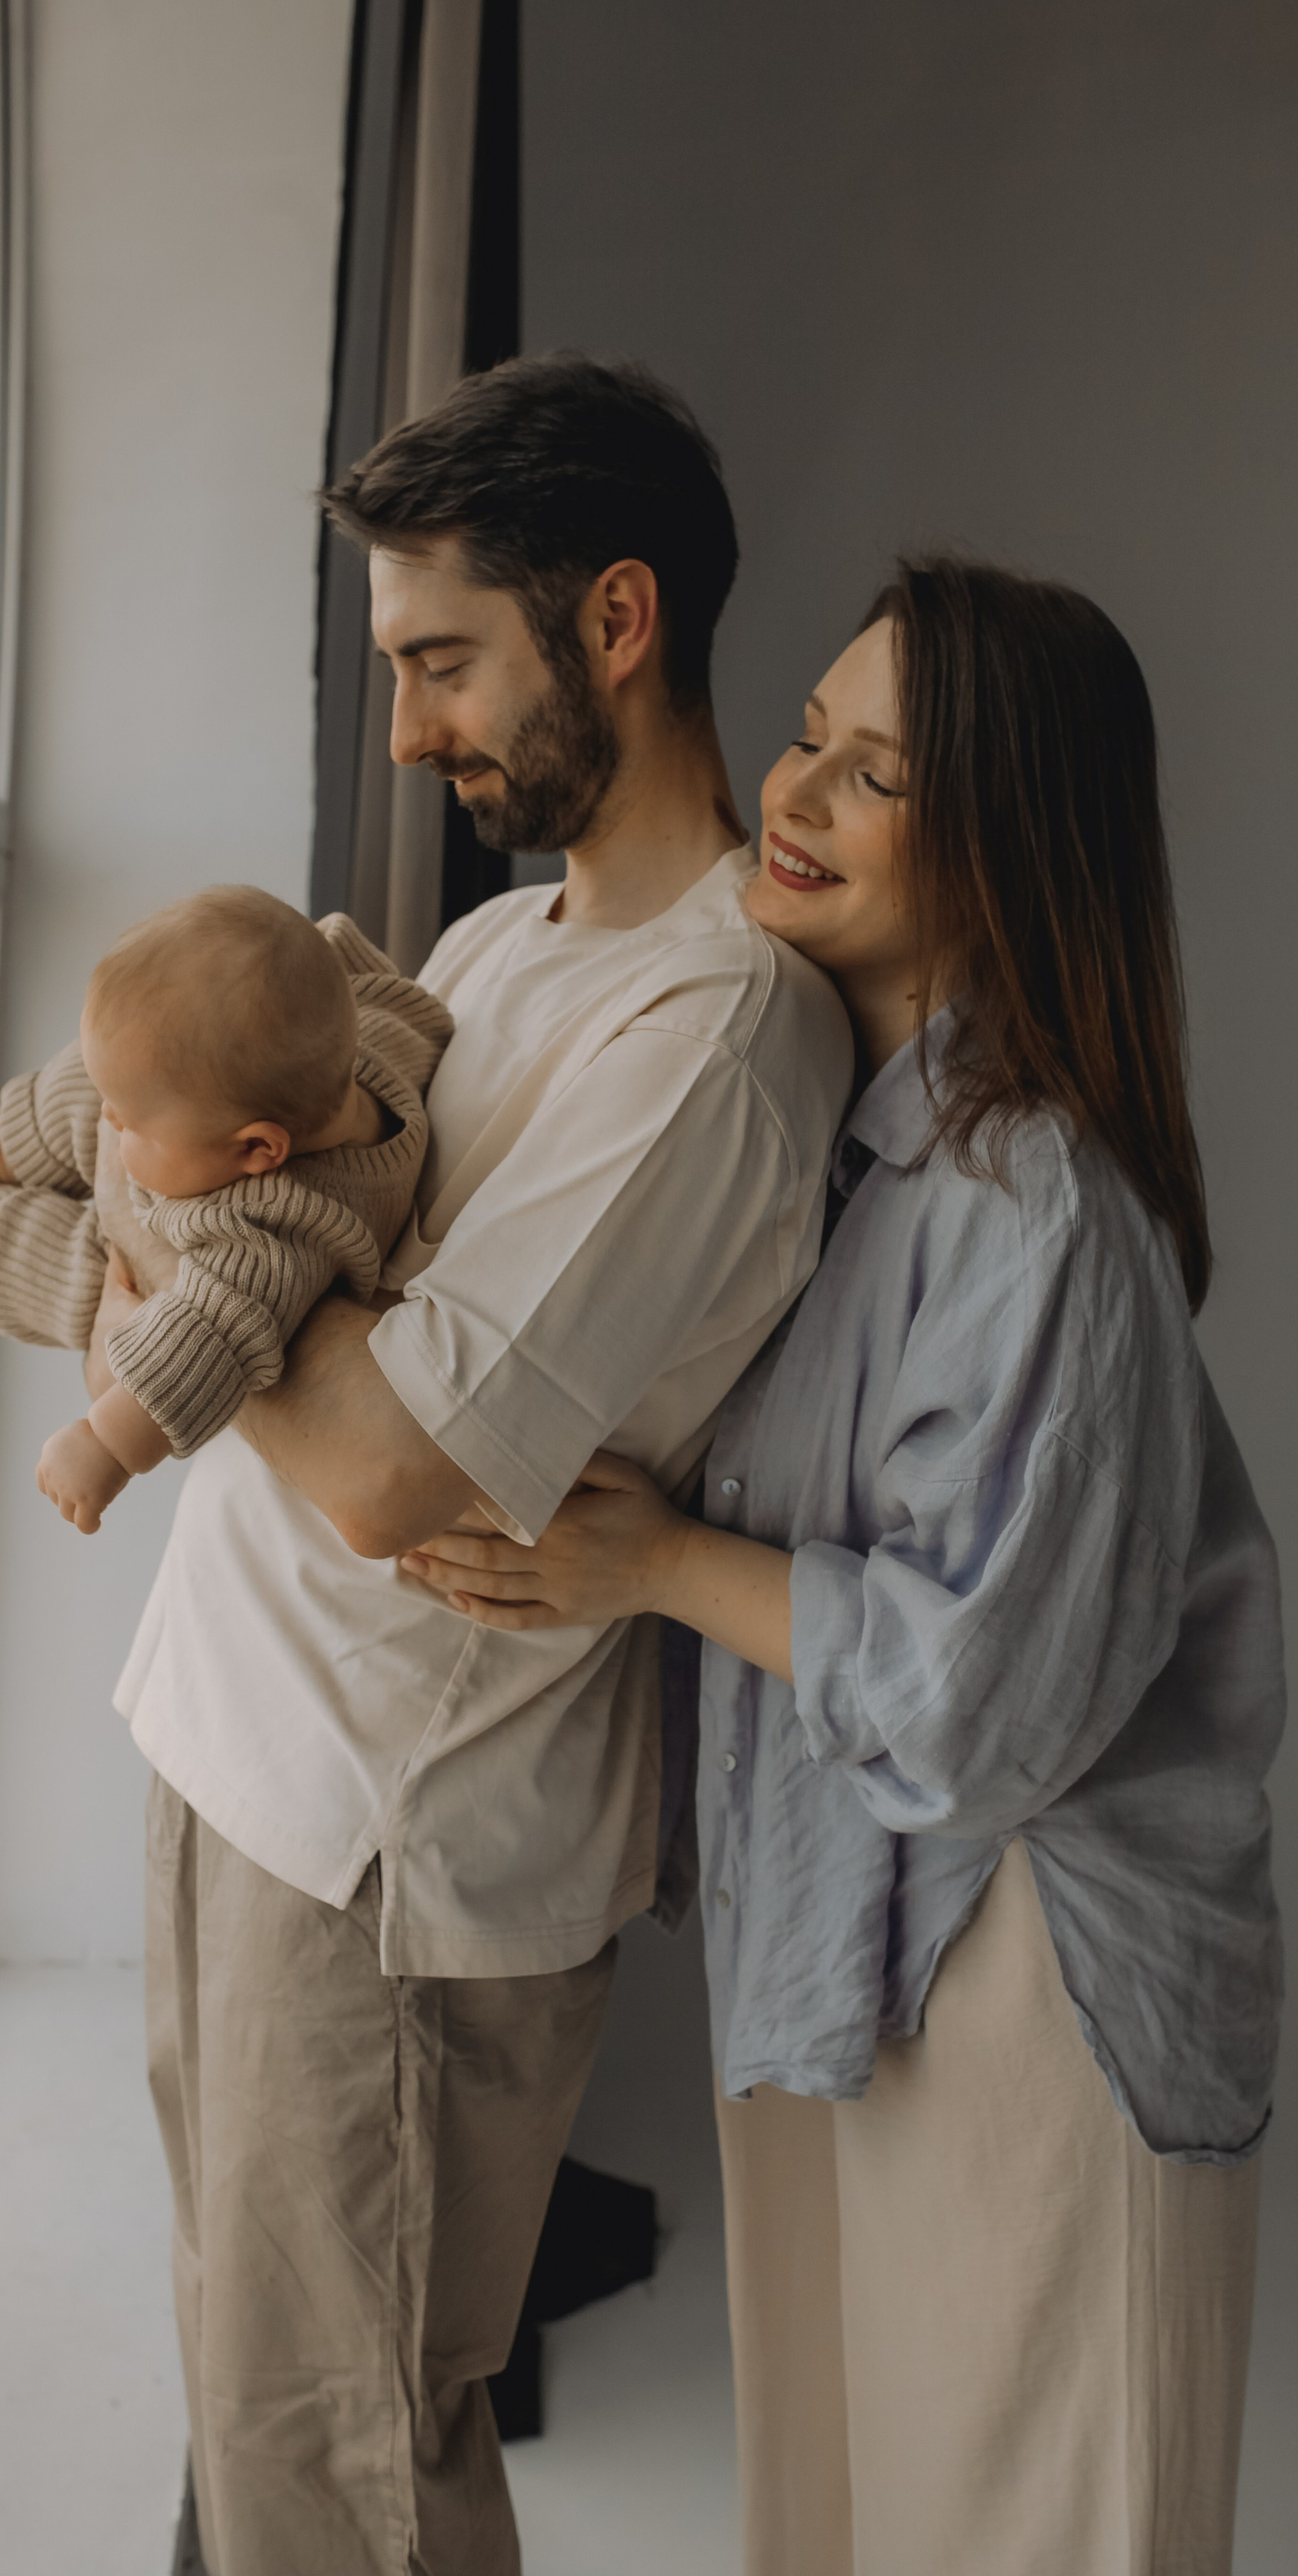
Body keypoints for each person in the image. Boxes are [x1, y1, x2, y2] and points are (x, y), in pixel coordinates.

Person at [400, 557, 1284, 2576]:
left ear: (1004, 838)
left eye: (875, 772)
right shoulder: (842, 1128)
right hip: (857, 1932)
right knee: (850, 2502)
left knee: (1011, 2518)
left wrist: (651, 1560)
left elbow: (981, 1700)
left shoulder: (1027, 1196)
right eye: (807, 731)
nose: (792, 792)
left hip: (1022, 1970)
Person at [91, 356, 852, 2576]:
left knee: (341, 2467)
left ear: (615, 620)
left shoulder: (711, 1030)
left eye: (443, 661)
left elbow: (378, 1469)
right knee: (255, 2414)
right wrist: (208, 1243)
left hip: (392, 1867)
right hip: (238, 1762)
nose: (414, 729)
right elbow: (287, 1282)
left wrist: (175, 1237)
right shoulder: (497, 947)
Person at [0, 888, 451, 1526]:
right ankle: (3, 1155)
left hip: (155, 1258)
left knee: (69, 1273)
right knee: (110, 1066)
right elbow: (355, 970)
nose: (112, 1121)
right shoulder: (357, 1039)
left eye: (129, 1124)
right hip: (188, 1161)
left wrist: (107, 1444)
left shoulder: (281, 1230)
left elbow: (207, 1336)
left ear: (257, 1149)